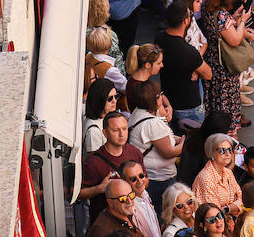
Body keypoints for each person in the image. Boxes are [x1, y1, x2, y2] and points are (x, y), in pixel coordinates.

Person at [127, 80, 185, 211]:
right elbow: (170, 152)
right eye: (160, 95)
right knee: (161, 215)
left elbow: (163, 138)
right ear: (155, 99)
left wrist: (178, 139)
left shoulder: (138, 113)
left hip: (152, 176)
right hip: (159, 180)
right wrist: (184, 142)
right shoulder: (152, 124)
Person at [154, 0, 212, 127]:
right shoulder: (188, 51)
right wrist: (197, 65)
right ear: (185, 21)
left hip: (169, 99)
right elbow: (208, 74)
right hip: (189, 105)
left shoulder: (159, 38)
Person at [81, 111, 144, 219]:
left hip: (135, 217)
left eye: (124, 129)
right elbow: (78, 193)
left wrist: (137, 182)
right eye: (115, 130)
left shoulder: (134, 152)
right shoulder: (94, 163)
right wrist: (99, 188)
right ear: (105, 133)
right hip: (107, 221)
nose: (121, 134)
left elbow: (145, 179)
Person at [121, 159, 167, 237]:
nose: (139, 181)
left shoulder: (145, 194)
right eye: (133, 179)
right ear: (124, 182)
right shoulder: (127, 208)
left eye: (141, 176)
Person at [193, 133, 244, 213]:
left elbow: (240, 198)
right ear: (211, 153)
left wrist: (227, 209)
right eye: (222, 150)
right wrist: (232, 207)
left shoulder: (228, 172)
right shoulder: (206, 179)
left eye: (230, 150)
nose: (227, 154)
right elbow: (214, 213)